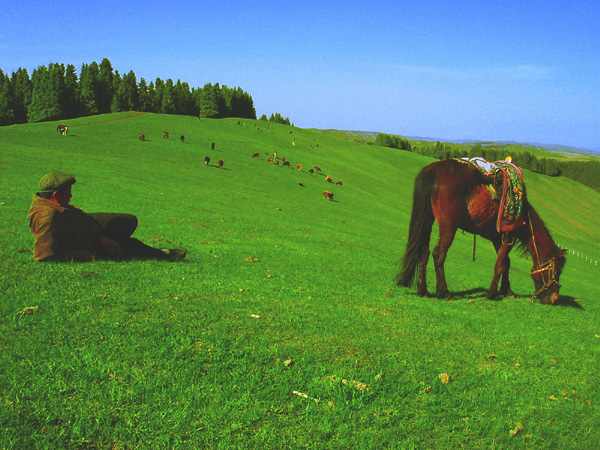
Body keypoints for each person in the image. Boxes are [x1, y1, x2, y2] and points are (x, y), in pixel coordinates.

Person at [28, 171, 187, 262]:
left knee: (128, 222)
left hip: (85, 229)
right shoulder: (46, 218)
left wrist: (100, 237)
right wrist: (88, 255)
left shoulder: (55, 205)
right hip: (82, 241)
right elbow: (44, 256)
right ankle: (164, 253)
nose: (71, 195)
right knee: (128, 244)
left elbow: (77, 216)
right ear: (55, 195)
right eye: (68, 191)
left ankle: (155, 251)